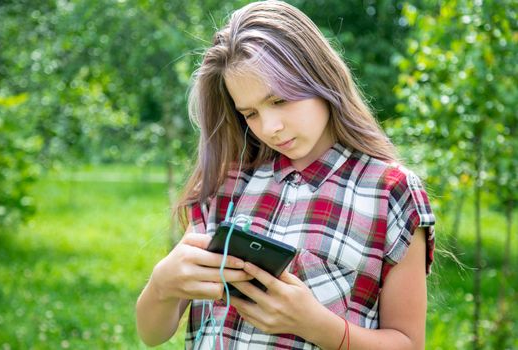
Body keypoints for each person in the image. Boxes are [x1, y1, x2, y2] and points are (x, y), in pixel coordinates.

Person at [136, 1, 436, 349]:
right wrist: (162, 286)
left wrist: (317, 326)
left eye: (279, 101)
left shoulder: (389, 192)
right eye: (250, 113)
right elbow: (152, 333)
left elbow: (408, 344)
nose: (270, 128)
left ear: (319, 77)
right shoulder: (227, 182)